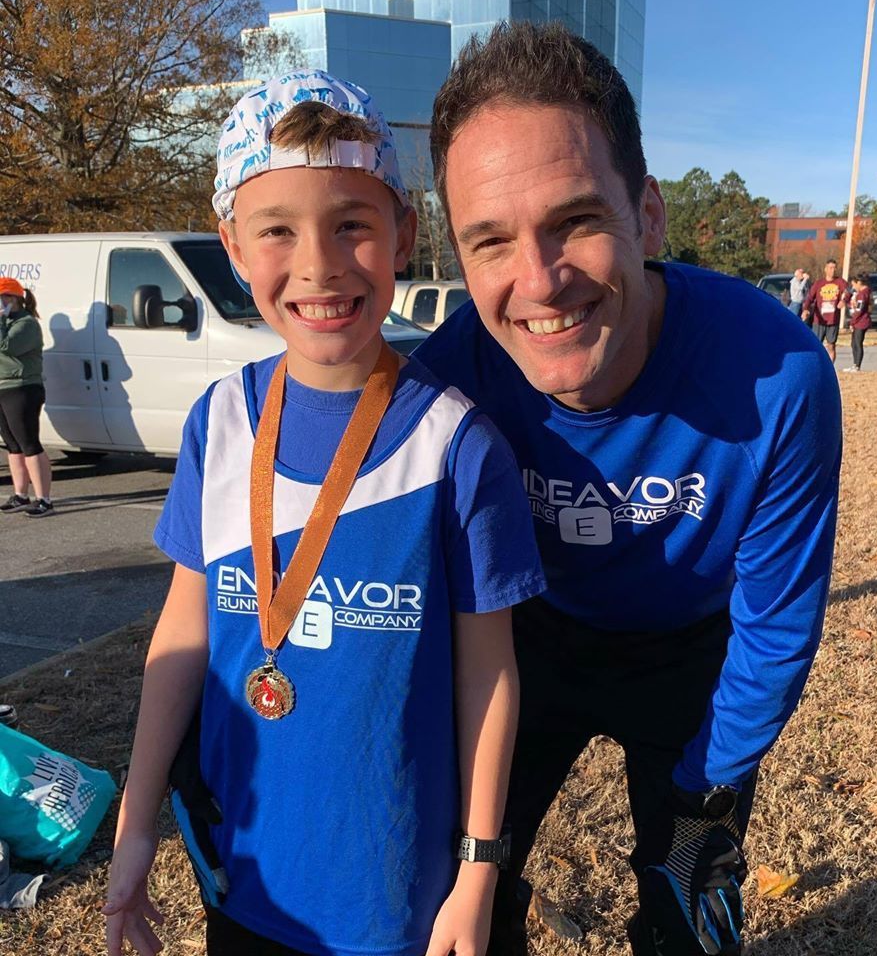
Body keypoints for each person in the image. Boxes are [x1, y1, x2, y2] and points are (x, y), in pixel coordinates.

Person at [415, 22, 842, 956]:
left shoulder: (777, 374)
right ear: (458, 255)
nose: (539, 281)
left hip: (694, 656)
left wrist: (709, 784)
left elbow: (775, 625)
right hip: (523, 642)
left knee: (689, 909)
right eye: (491, 241)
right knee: (446, 901)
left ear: (645, 214)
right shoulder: (444, 385)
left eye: (574, 220)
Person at [103, 70, 546, 956]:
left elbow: (489, 678)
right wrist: (135, 830)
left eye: (352, 224)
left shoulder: (457, 448)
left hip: (399, 900)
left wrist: (479, 871)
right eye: (278, 231)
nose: (319, 265)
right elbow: (181, 640)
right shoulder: (221, 423)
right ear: (232, 247)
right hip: (243, 879)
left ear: (404, 234)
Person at [0, 277, 54, 517]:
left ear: (17, 299)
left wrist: (1, 319)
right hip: (2, 386)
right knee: (12, 444)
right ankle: (21, 494)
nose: (2, 303)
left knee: (29, 443)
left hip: (21, 388)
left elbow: (7, 346)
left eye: (5, 298)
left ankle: (44, 498)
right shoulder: (6, 322)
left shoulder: (26, 324)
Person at [802, 259, 847, 363]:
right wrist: (805, 310)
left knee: (831, 345)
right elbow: (809, 298)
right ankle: (815, 365)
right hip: (819, 320)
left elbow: (848, 292)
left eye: (834, 268)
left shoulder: (840, 282)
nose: (833, 270)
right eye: (830, 268)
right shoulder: (819, 284)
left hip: (833, 320)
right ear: (825, 269)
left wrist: (844, 301)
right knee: (816, 345)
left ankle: (830, 367)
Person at [843, 273, 872, 373]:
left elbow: (859, 309)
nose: (854, 287)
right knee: (853, 343)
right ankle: (854, 364)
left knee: (857, 343)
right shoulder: (863, 293)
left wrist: (852, 322)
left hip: (861, 322)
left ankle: (857, 365)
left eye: (854, 285)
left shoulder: (863, 294)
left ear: (859, 283)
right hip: (858, 321)